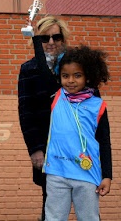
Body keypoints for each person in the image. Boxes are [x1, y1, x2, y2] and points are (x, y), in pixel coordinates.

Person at [42, 45, 112, 220]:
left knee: (89, 218)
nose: (70, 80)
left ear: (88, 77)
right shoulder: (57, 96)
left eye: (77, 75)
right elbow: (43, 68)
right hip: (57, 171)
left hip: (87, 173)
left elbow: (104, 142)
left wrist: (107, 176)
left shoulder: (98, 106)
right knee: (53, 218)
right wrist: (35, 37)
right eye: (65, 76)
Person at [17, 16, 70, 220]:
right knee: (50, 202)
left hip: (74, 145)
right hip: (46, 145)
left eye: (56, 37)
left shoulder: (74, 67)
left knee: (85, 198)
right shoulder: (28, 69)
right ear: (36, 41)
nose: (50, 42)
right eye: (44, 38)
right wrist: (35, 149)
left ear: (63, 39)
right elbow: (26, 112)